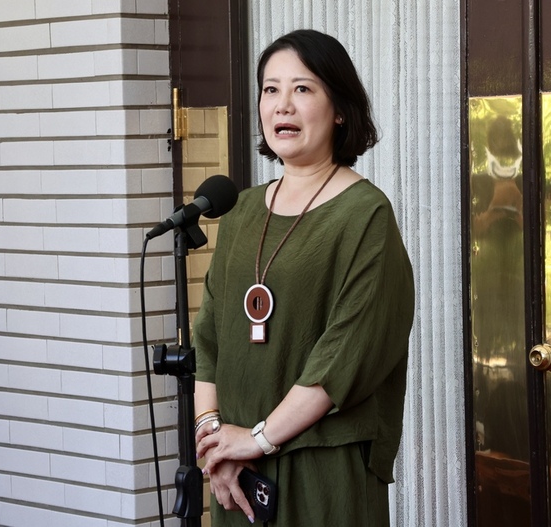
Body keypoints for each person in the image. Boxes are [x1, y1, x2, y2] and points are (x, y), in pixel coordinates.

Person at [192, 29, 415, 526]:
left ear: (339, 110)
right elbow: (209, 338)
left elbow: (344, 356)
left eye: (303, 89)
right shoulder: (242, 210)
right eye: (271, 89)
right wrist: (215, 443)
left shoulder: (365, 215)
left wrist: (257, 439)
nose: (283, 105)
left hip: (322, 471)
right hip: (236, 474)